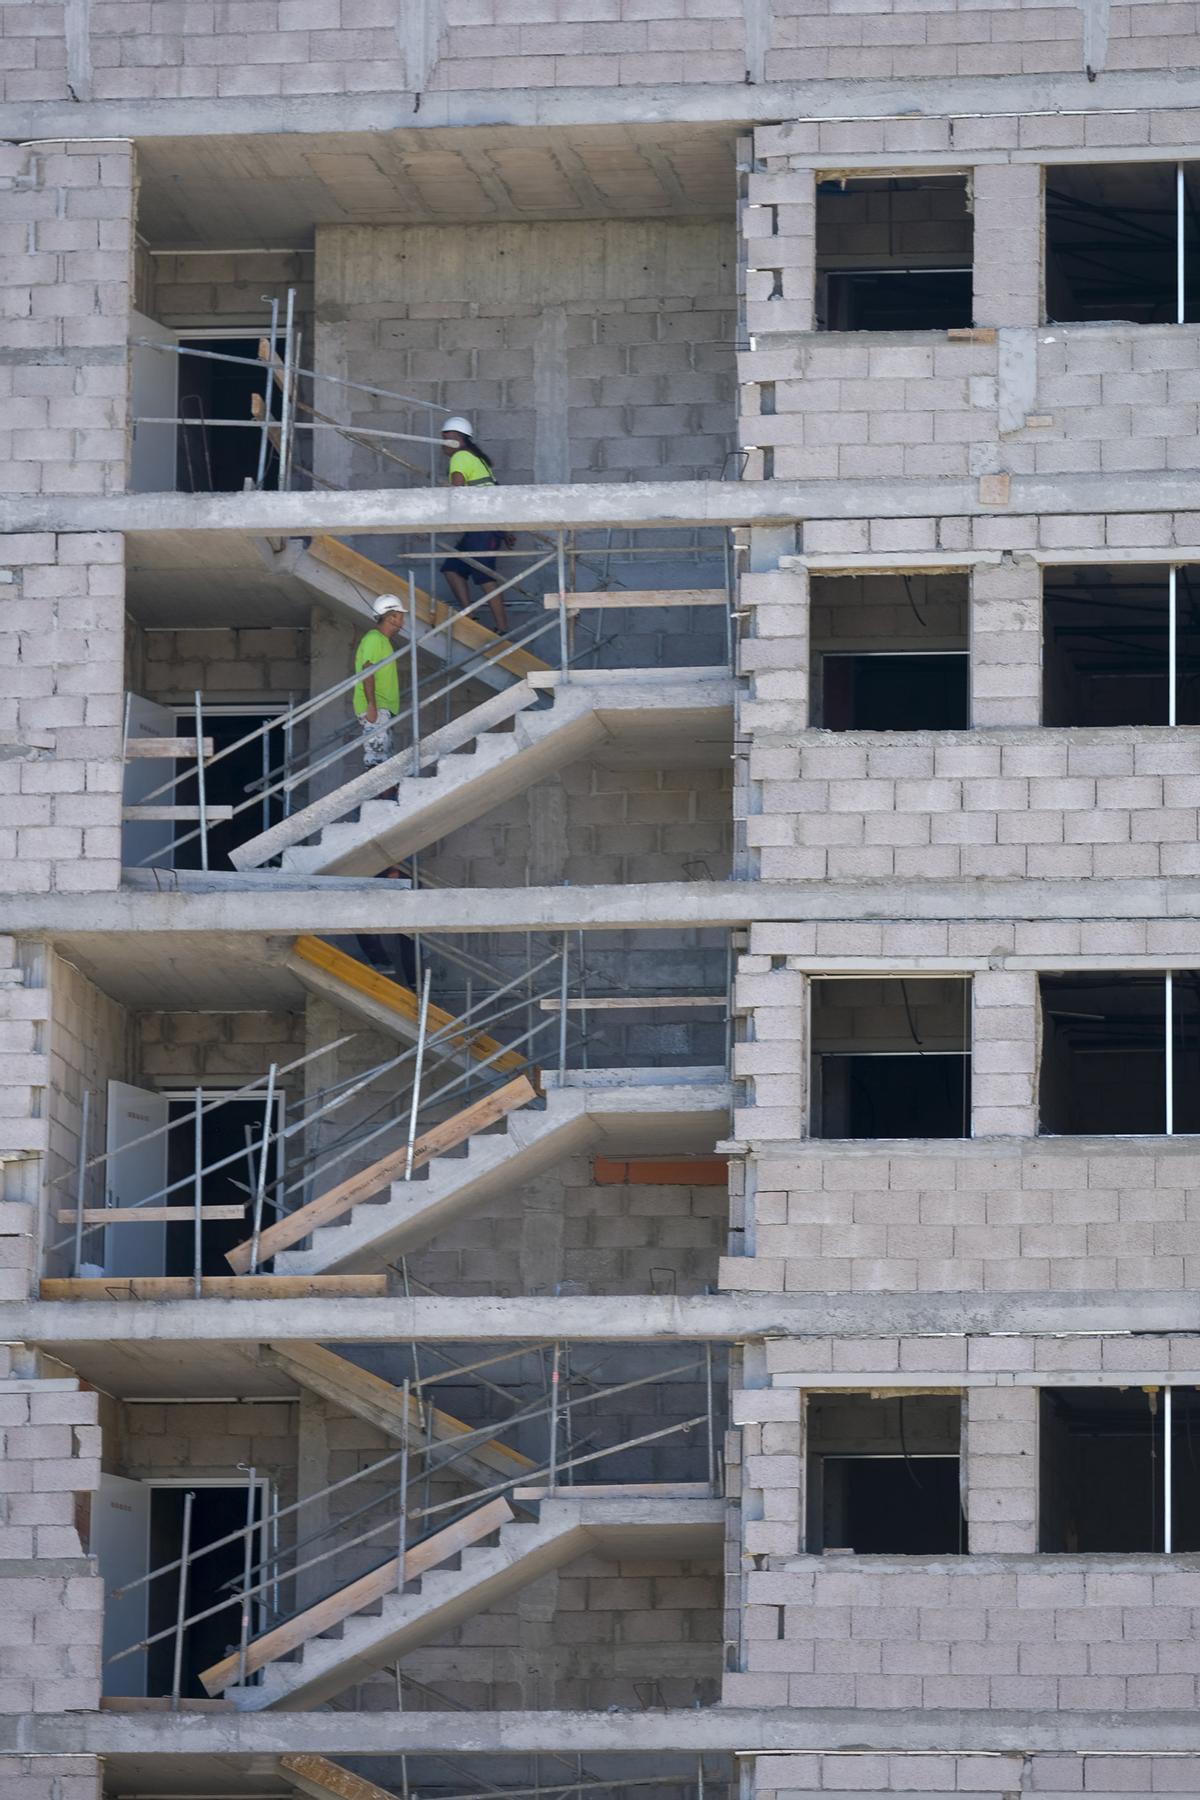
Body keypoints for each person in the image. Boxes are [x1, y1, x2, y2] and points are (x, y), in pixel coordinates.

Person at [440, 416, 510, 634]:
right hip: (482, 526)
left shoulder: (460, 456)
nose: (442, 442)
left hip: (483, 526)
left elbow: (457, 491)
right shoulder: (475, 458)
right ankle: (469, 614)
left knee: (484, 575)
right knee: (452, 568)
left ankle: (502, 627)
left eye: (446, 437)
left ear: (458, 438)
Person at [354, 596, 405, 799]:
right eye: (400, 616)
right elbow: (368, 671)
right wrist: (372, 706)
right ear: (391, 617)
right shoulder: (375, 639)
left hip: (384, 707)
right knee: (376, 759)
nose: (402, 621)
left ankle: (387, 798)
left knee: (384, 757)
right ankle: (378, 803)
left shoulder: (382, 641)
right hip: (377, 707)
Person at [356, 865, 418, 991]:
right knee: (365, 928)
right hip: (384, 896)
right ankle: (382, 963)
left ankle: (413, 980)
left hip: (402, 901)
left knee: (409, 942)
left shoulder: (407, 868)